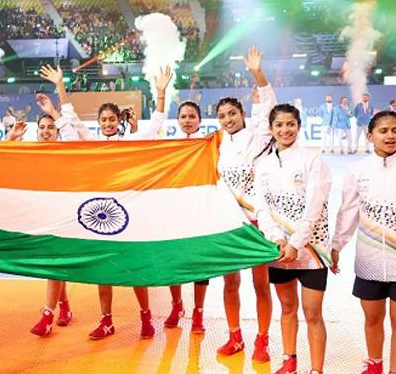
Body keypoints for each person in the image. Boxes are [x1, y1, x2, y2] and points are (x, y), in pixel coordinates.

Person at [41, 63, 173, 340]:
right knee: (103, 272)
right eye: (104, 121)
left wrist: (161, 93)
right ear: (99, 123)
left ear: (118, 121)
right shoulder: (89, 142)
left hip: (130, 215)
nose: (108, 124)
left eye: (112, 120)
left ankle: (146, 318)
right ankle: (107, 321)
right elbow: (69, 118)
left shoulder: (131, 142)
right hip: (101, 217)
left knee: (137, 271)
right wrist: (60, 86)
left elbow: (157, 124)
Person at [254, 104, 332, 374]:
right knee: (287, 307)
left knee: (312, 314)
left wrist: (295, 244)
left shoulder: (313, 159)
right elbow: (261, 208)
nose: (285, 129)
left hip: (311, 250)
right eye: (279, 125)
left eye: (290, 124)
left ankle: (316, 369)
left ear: (299, 126)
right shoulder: (262, 164)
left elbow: (314, 208)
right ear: (271, 128)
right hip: (277, 250)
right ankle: (289, 361)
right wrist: (276, 239)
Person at [215, 46, 277, 362]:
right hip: (230, 223)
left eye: (232, 114)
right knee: (230, 284)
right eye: (222, 116)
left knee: (260, 284)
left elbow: (269, 105)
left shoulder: (257, 133)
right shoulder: (218, 145)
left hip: (257, 224)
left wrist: (257, 74)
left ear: (241, 113)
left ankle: (262, 340)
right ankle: (235, 337)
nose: (228, 120)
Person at [6, 93, 79, 337]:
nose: (46, 131)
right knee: (54, 264)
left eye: (50, 127)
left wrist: (54, 111)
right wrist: (12, 138)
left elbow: (72, 136)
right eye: (42, 128)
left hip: (64, 214)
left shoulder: (66, 151)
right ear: (36, 131)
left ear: (57, 131)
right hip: (41, 215)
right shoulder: (32, 151)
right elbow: (1, 160)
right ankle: (64, 307)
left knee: (53, 263)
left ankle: (48, 315)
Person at [331, 111, 396, 374]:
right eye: (384, 131)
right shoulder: (357, 170)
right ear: (369, 136)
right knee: (372, 318)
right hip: (369, 262)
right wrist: (336, 245)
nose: (391, 135)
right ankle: (375, 365)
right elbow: (348, 211)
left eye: (395, 130)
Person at [165, 101, 209, 333]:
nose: (187, 120)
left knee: (200, 266)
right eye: (183, 116)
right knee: (174, 263)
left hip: (200, 213)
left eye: (192, 116)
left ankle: (198, 312)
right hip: (175, 213)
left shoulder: (209, 144)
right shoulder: (172, 145)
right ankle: (177, 305)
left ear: (200, 120)